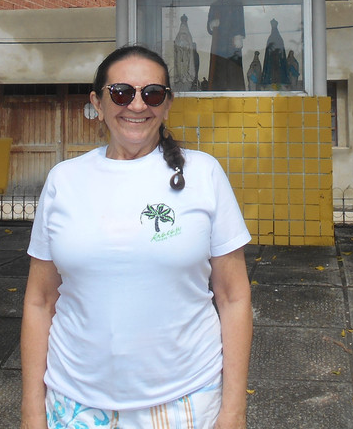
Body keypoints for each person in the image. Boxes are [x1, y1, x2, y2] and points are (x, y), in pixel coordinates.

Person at [21, 45, 253, 429]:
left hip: (186, 402)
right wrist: (32, 411)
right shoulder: (64, 180)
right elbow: (39, 301)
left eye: (152, 93)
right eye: (121, 93)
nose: (137, 105)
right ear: (97, 102)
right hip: (74, 403)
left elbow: (234, 297)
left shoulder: (205, 174)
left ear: (167, 104)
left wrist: (233, 411)